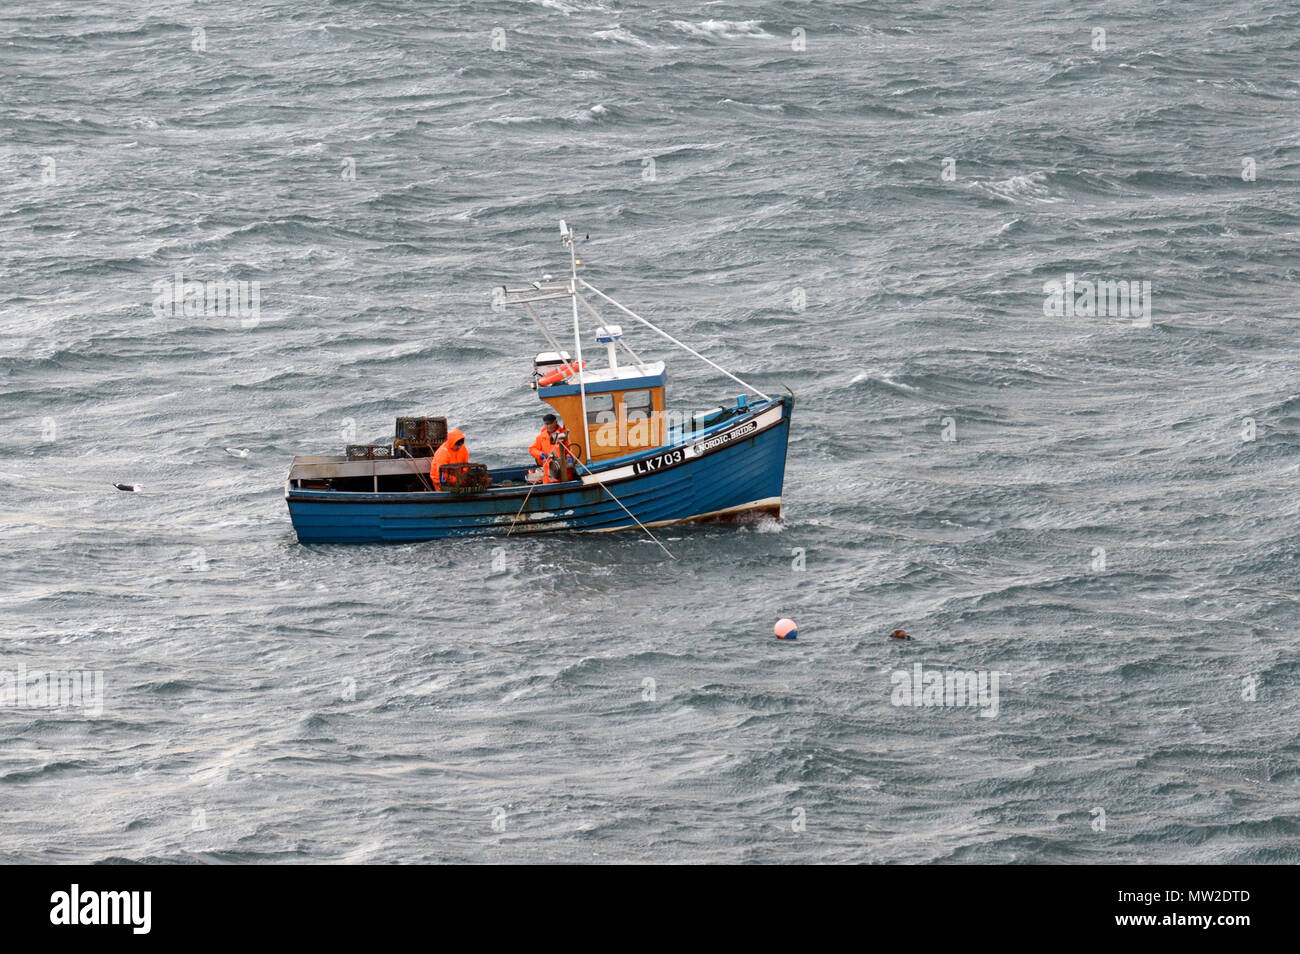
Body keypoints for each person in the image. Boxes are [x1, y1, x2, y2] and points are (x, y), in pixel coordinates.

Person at [529, 413, 564, 483]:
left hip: (563, 473)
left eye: (550, 423)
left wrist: (569, 458)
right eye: (547, 424)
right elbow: (532, 449)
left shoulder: (564, 434)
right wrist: (540, 454)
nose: (549, 426)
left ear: (556, 422)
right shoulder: (541, 437)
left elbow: (570, 449)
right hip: (548, 476)